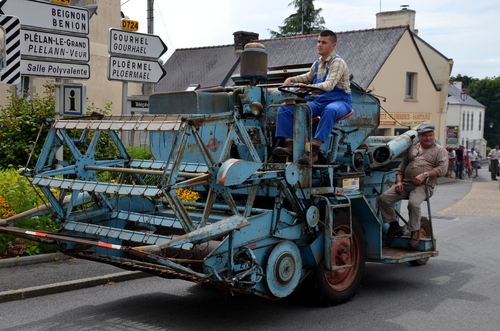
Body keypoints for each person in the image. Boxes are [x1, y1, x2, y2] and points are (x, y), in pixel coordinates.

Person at [273, 29, 352, 164]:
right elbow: (308, 77)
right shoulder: (318, 63)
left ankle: (314, 151)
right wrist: (291, 79)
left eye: (324, 42)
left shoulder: (337, 62)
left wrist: (308, 87)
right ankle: (290, 146)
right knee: (285, 109)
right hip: (320, 101)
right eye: (318, 42)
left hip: (340, 101)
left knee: (331, 110)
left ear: (333, 46)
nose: (319, 45)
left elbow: (329, 85)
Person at [377, 122, 447, 250]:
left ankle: (415, 232)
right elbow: (400, 169)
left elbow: (442, 170)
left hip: (425, 186)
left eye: (430, 135)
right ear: (419, 137)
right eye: (424, 136)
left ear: (433, 135)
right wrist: (398, 182)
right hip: (406, 184)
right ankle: (394, 227)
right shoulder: (412, 149)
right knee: (383, 199)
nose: (428, 138)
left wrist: (424, 175)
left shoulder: (440, 150)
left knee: (413, 203)